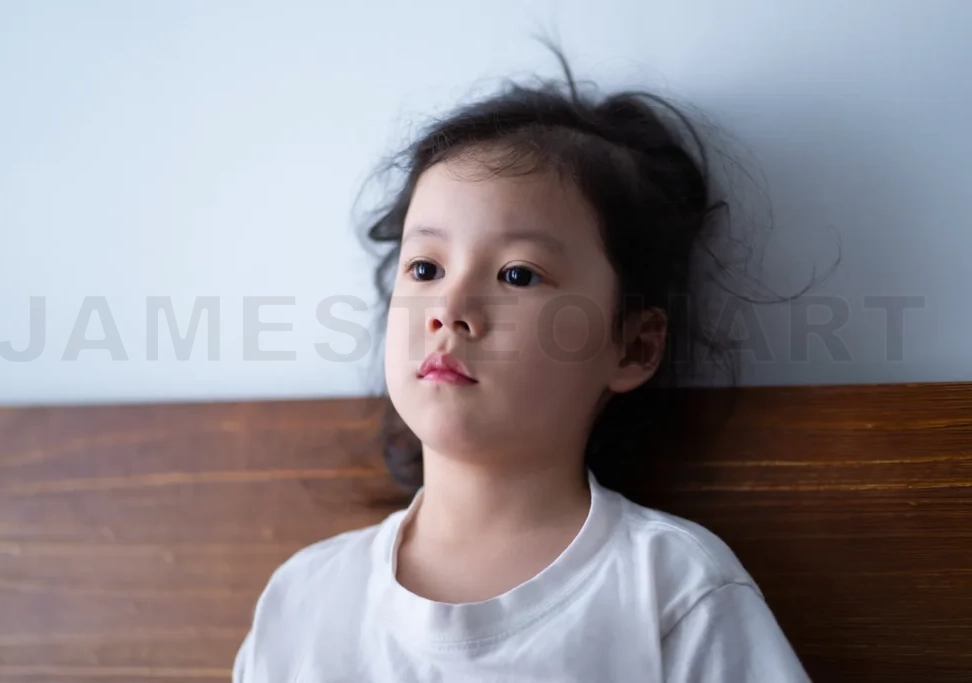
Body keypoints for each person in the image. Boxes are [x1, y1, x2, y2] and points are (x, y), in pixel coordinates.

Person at [233, 40, 811, 682]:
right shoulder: (304, 600)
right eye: (424, 268)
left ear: (633, 346)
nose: (450, 309)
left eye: (517, 274)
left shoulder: (671, 589)